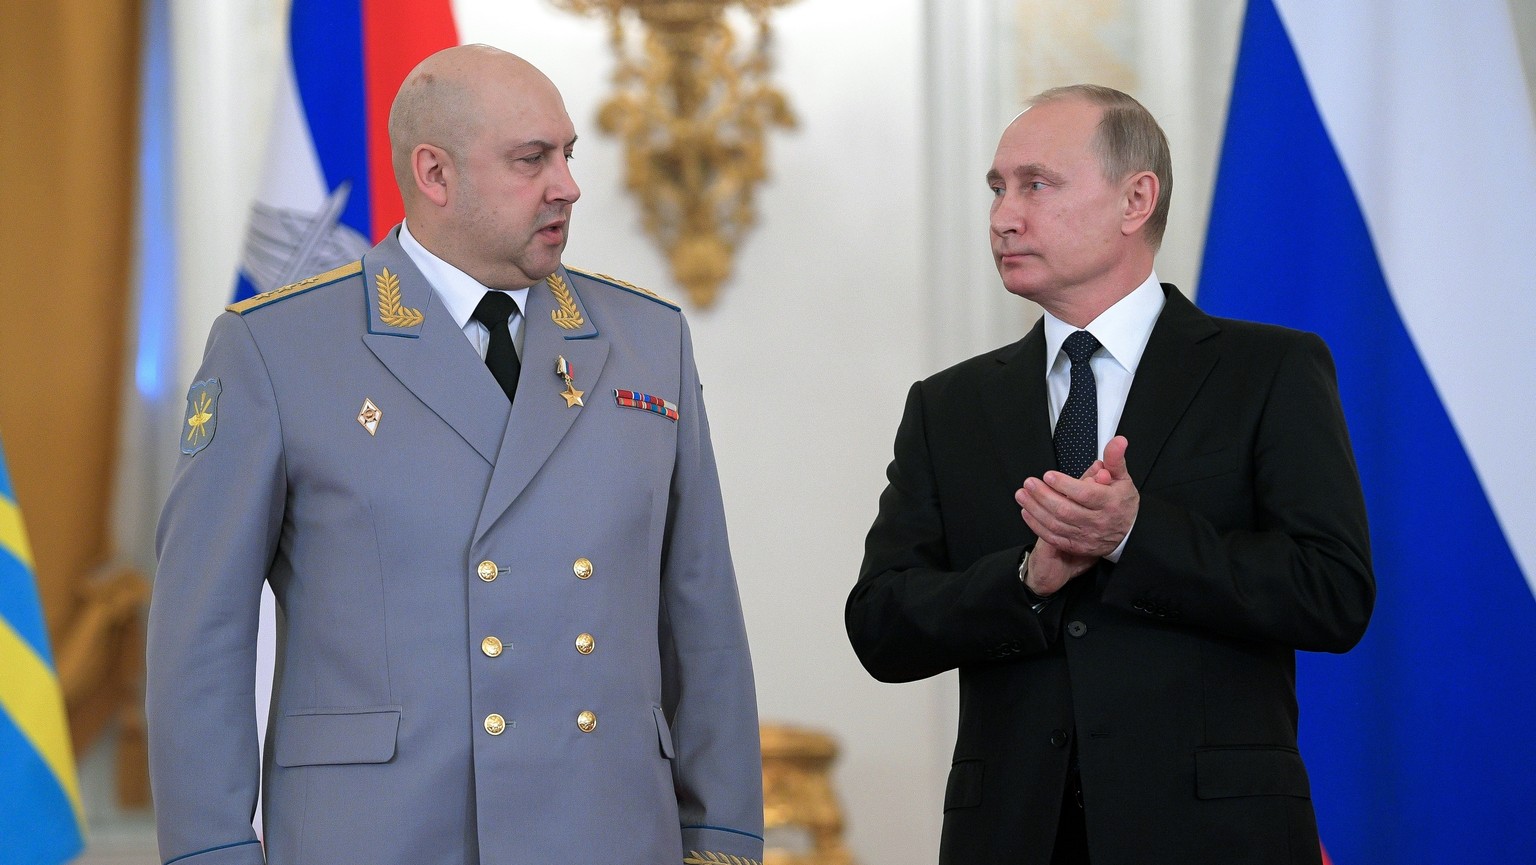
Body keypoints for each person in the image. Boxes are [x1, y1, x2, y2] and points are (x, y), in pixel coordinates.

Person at [147, 45, 763, 865]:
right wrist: (212, 850)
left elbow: (703, 615)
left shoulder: (647, 341)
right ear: (434, 174)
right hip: (383, 835)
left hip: (604, 829)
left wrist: (719, 836)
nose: (567, 185)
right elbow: (202, 638)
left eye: (568, 154)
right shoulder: (277, 349)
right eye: (530, 159)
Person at [845, 84, 1374, 865]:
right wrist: (1027, 579)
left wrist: (1135, 534)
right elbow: (882, 624)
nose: (1003, 217)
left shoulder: (1269, 371)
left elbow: (1333, 592)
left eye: (1036, 184)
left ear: (1136, 199)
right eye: (996, 188)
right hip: (1014, 838)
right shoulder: (948, 405)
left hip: (1216, 839)